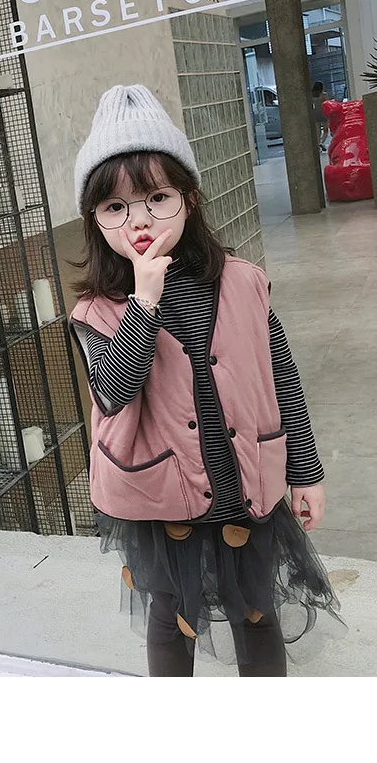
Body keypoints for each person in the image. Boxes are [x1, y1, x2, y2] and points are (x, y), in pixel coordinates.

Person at [69, 84, 343, 677]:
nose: (138, 220)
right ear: (96, 220)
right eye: (115, 207)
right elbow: (113, 392)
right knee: (171, 617)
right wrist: (144, 300)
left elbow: (281, 379)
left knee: (257, 612)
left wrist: (306, 472)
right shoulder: (97, 311)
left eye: (157, 198)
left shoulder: (242, 282)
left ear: (189, 200)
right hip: (164, 498)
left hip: (246, 483)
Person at [312, 81, 330, 152]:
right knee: (325, 130)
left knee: (317, 131)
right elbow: (328, 103)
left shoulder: (312, 95)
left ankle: (317, 146)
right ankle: (321, 142)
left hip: (315, 113)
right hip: (323, 113)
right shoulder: (324, 95)